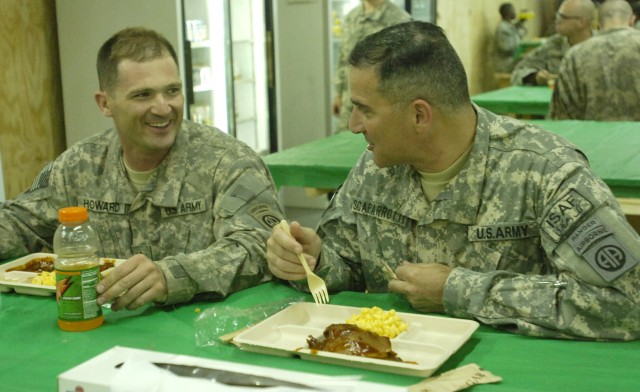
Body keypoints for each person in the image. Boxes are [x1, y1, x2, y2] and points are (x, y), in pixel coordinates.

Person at [266, 21, 640, 341]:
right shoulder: (375, 167)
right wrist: (311, 261)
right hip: (395, 364)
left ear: (419, 116)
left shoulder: (545, 172)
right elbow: (344, 268)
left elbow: (627, 300)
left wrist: (457, 290)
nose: (352, 125)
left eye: (365, 110)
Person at [0, 27, 284, 312]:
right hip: (103, 332)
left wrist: (171, 276)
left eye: (172, 91)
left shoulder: (228, 162)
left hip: (205, 331)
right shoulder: (78, 165)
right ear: (105, 103)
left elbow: (261, 246)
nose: (163, 108)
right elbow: (19, 224)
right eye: (143, 95)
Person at [549, 0, 640, 120]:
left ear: (597, 24)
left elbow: (561, 116)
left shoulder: (575, 55)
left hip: (591, 137)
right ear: (632, 20)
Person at [332, 0, 411, 133]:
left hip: (377, 104)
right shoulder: (352, 17)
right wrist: (338, 93)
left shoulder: (399, 19)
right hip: (349, 100)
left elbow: (403, 68)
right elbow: (344, 57)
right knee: (341, 144)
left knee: (373, 146)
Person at [511, 0, 596, 86]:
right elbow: (518, 72)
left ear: (581, 22)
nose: (557, 20)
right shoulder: (553, 45)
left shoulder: (604, 47)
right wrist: (535, 77)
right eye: (557, 15)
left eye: (563, 17)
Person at [492, 3, 527, 73]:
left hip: (510, 61)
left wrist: (521, 22)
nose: (515, 13)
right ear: (508, 13)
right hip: (505, 64)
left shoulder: (509, 25)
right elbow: (505, 48)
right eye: (513, 10)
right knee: (530, 63)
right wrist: (520, 49)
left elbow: (520, 33)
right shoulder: (502, 28)